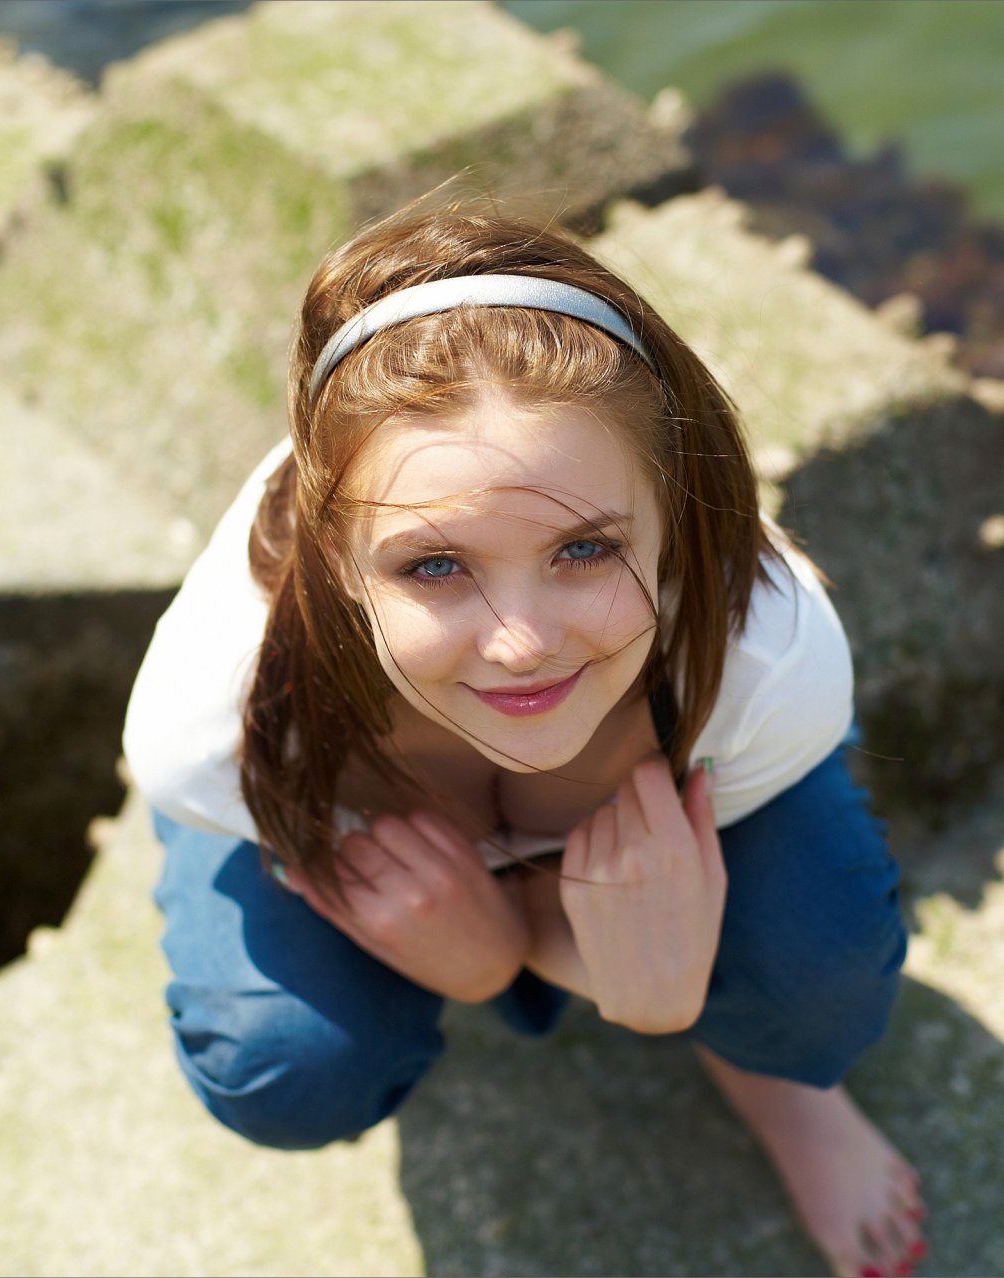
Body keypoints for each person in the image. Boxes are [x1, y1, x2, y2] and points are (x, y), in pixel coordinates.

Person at [123, 204, 927, 1278]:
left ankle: (776, 1085)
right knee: (287, 1066)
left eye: (585, 548)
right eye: (435, 565)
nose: (522, 646)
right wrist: (496, 957)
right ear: (337, 559)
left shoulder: (766, 660)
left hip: (662, 755)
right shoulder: (215, 725)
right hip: (315, 764)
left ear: (674, 516)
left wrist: (645, 984)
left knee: (817, 978)